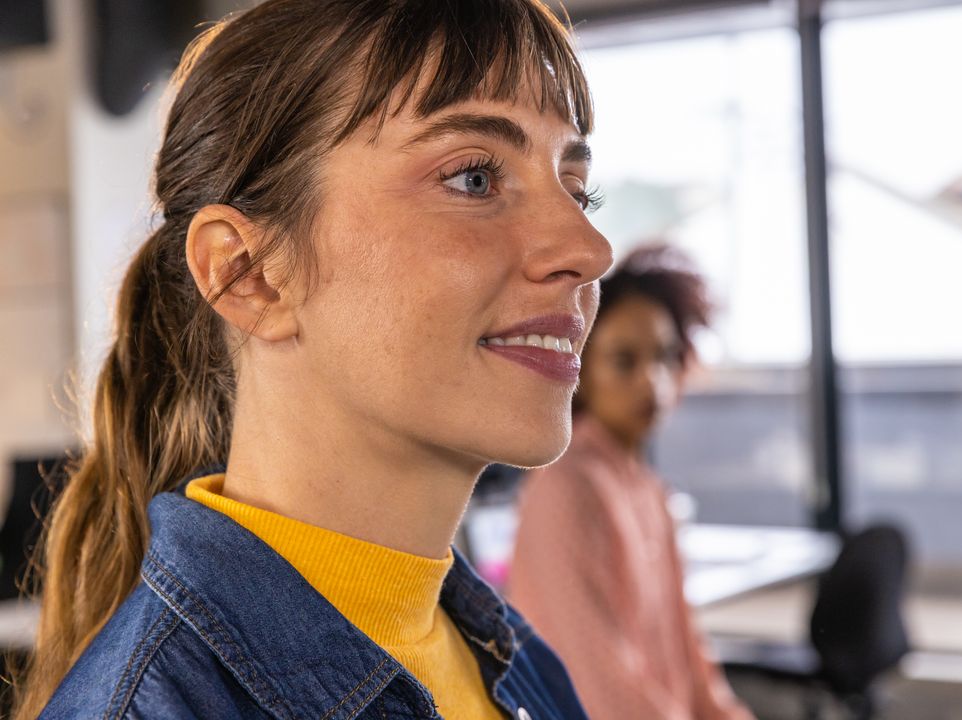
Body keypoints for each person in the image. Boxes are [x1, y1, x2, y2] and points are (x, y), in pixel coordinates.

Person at [15, 1, 612, 718]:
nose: (588, 250)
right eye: (474, 178)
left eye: (578, 192)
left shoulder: (520, 666)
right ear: (249, 274)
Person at [508, 245, 755, 720]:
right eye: (625, 360)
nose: (652, 381)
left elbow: (690, 661)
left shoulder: (647, 490)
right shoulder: (565, 486)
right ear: (581, 366)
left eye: (665, 356)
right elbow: (602, 687)